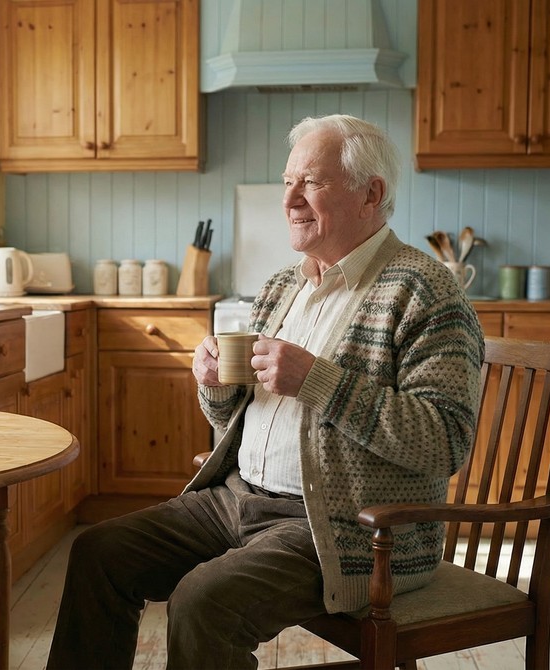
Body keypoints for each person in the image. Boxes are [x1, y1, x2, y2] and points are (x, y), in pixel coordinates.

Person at [47, 114, 485, 669]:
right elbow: (239, 417)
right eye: (287, 182)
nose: (290, 199)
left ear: (370, 194)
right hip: (236, 499)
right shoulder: (282, 287)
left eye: (312, 182)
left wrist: (316, 380)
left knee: (204, 603)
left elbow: (446, 441)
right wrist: (215, 385)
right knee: (98, 553)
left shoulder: (426, 292)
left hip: (345, 529)